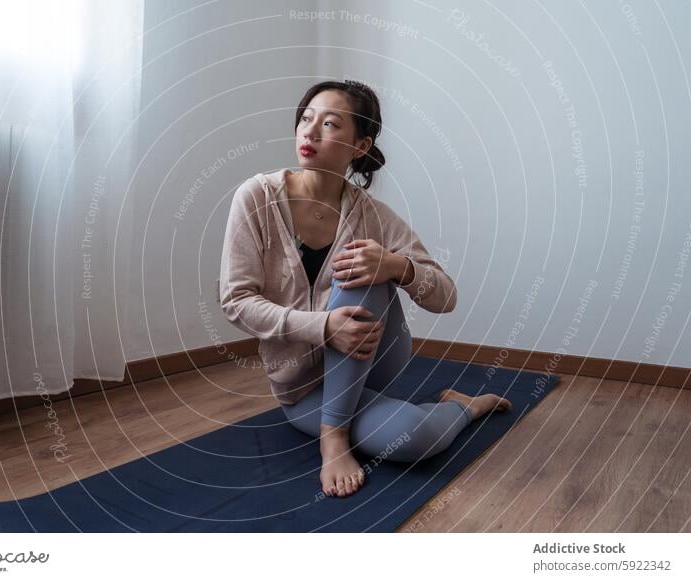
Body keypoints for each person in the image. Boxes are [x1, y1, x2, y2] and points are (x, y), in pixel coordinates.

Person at [219, 80, 511, 499]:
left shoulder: (373, 216)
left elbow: (446, 297)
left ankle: (333, 437)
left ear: (360, 146)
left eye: (330, 123)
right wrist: (324, 327)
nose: (310, 131)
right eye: (306, 119)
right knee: (417, 438)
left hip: (375, 363)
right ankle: (466, 406)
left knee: (366, 263)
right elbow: (237, 302)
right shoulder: (257, 197)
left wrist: (397, 266)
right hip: (303, 388)